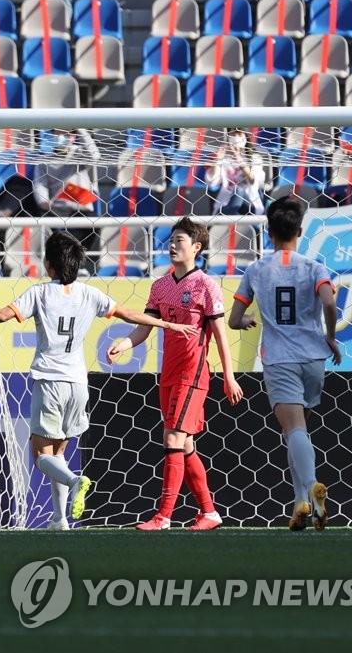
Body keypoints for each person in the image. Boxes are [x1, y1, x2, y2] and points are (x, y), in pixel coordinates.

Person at [0, 232, 197, 530]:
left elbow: (1, 315)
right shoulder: (90, 294)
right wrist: (165, 323)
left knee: (40, 455)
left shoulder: (39, 293)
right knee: (59, 453)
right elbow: (128, 314)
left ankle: (75, 481)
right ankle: (60, 519)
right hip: (77, 384)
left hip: (50, 381)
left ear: (49, 265)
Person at [107, 217, 244, 531]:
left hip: (192, 374)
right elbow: (146, 326)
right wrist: (126, 343)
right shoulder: (160, 285)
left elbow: (220, 334)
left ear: (196, 247)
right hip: (167, 374)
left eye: (179, 240)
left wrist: (230, 376)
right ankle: (209, 513)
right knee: (184, 445)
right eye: (170, 240)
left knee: (171, 437)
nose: (171, 245)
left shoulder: (206, 286)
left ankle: (163, 516)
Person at [228, 196, 339, 531]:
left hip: (280, 360)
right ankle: (300, 504)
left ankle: (312, 489)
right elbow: (330, 303)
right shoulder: (313, 267)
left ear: (269, 233)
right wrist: (331, 336)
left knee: (294, 431)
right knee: (296, 433)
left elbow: (234, 319)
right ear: (300, 231)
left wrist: (246, 320)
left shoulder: (258, 269)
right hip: (314, 359)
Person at [33, 128, 101, 254]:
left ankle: (76, 259)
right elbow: (40, 184)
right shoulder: (44, 161)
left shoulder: (79, 154)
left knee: (93, 223)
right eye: (59, 133)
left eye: (68, 133)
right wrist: (44, 202)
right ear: (53, 135)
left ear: (74, 137)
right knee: (41, 220)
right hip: (56, 208)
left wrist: (81, 130)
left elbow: (95, 156)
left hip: (80, 208)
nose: (62, 137)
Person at [206, 128, 266, 215]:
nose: (236, 137)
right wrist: (217, 160)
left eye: (239, 134)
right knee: (237, 194)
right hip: (226, 201)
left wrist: (239, 160)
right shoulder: (224, 158)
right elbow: (212, 182)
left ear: (246, 137)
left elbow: (255, 180)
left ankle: (220, 222)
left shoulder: (254, 158)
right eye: (233, 135)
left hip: (250, 203)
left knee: (239, 190)